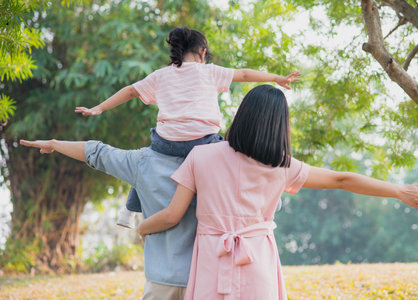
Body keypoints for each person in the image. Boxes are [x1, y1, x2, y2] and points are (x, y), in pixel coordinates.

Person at [21, 85, 418, 299]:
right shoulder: (281, 168)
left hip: (211, 266)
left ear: (240, 117)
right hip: (257, 264)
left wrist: (141, 229)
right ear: (281, 127)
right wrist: (398, 190)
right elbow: (342, 180)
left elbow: (170, 216)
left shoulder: (202, 159)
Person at [75, 27, 300, 229]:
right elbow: (243, 74)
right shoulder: (210, 72)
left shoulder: (160, 75)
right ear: (203, 52)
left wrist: (99, 107)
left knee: (146, 161)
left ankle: (130, 211)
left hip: (166, 144)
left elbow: (130, 91)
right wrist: (276, 78)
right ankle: (266, 193)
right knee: (234, 154)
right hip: (203, 143)